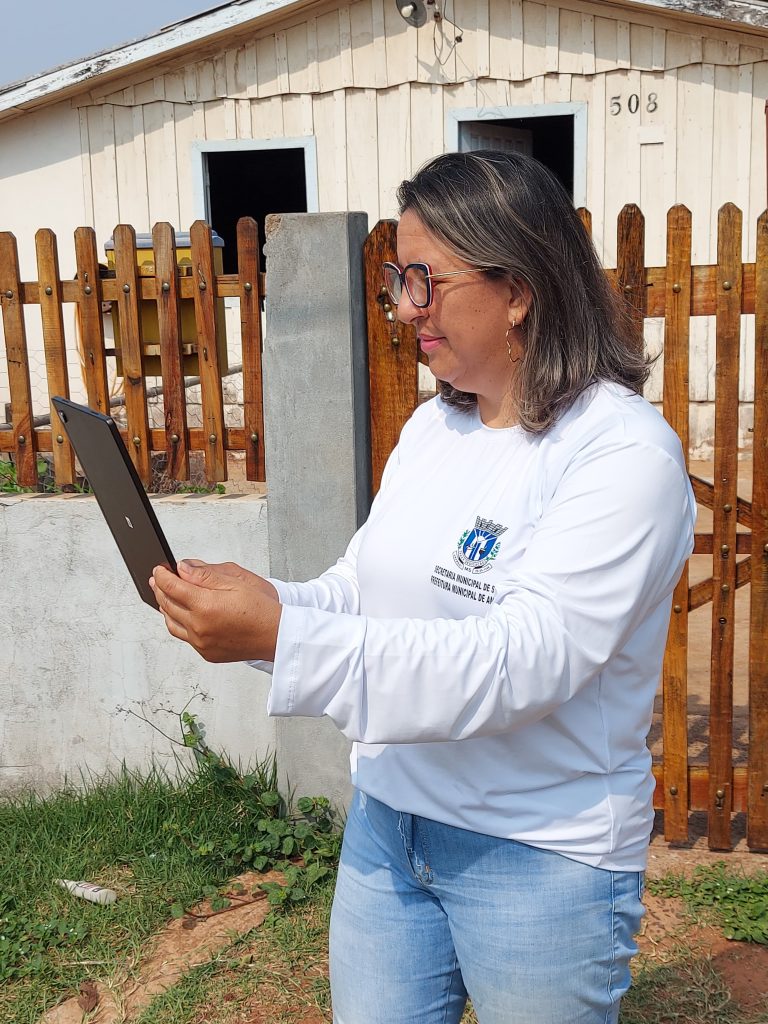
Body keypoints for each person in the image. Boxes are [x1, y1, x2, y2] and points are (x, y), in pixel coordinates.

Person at [151, 150, 696, 1024]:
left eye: (425, 281)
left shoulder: (621, 453)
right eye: (398, 280)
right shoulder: (433, 427)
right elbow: (360, 588)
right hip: (388, 830)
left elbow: (523, 662)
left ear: (518, 288)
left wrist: (283, 638)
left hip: (539, 854)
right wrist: (265, 604)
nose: (405, 308)